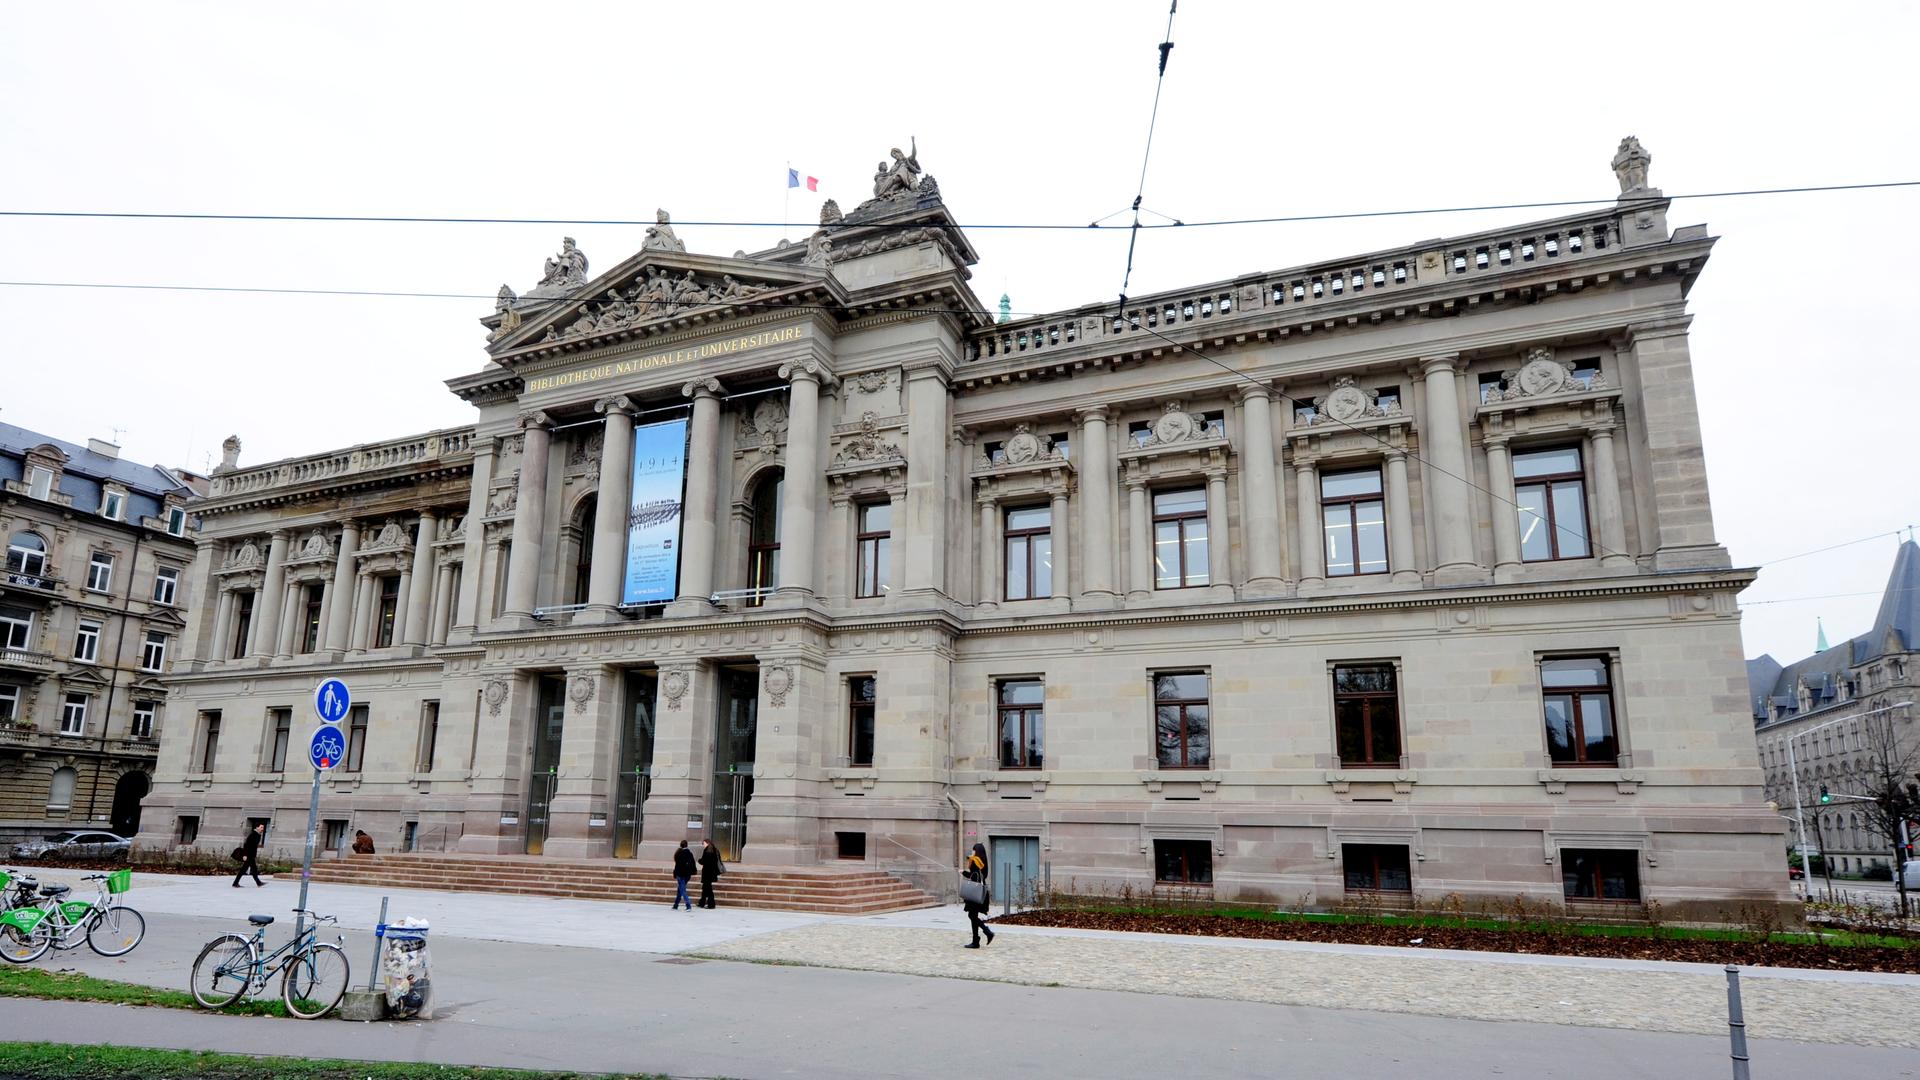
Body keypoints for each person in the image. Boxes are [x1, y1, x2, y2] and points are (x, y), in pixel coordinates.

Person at [962, 842, 994, 948]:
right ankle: (976, 940)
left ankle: (986, 932)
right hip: (980, 891)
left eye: (973, 850)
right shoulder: (983, 861)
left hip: (975, 891)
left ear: (977, 851)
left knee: (972, 915)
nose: (972, 852)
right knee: (973, 915)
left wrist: (963, 873)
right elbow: (981, 876)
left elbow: (974, 876)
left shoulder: (976, 861)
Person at [232, 822, 266, 888]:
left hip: (251, 855)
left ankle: (236, 883)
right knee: (249, 869)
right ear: (257, 827)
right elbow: (246, 845)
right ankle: (258, 882)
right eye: (261, 827)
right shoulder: (253, 834)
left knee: (249, 869)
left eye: (263, 827)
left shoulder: (258, 834)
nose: (262, 829)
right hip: (249, 855)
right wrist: (245, 855)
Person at [697, 838, 724, 909]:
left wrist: (699, 860)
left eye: (703, 843)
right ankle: (702, 903)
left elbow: (703, 861)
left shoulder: (707, 851)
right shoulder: (715, 850)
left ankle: (711, 904)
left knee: (708, 889)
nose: (703, 845)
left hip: (707, 873)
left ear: (707, 843)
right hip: (712, 873)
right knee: (705, 888)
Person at [672, 840, 696, 911]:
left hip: (680, 874)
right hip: (687, 875)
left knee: (682, 890)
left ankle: (688, 906)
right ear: (687, 845)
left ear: (681, 845)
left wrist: (675, 873)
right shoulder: (690, 853)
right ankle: (675, 905)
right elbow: (693, 864)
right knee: (680, 890)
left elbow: (677, 865)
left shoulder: (679, 853)